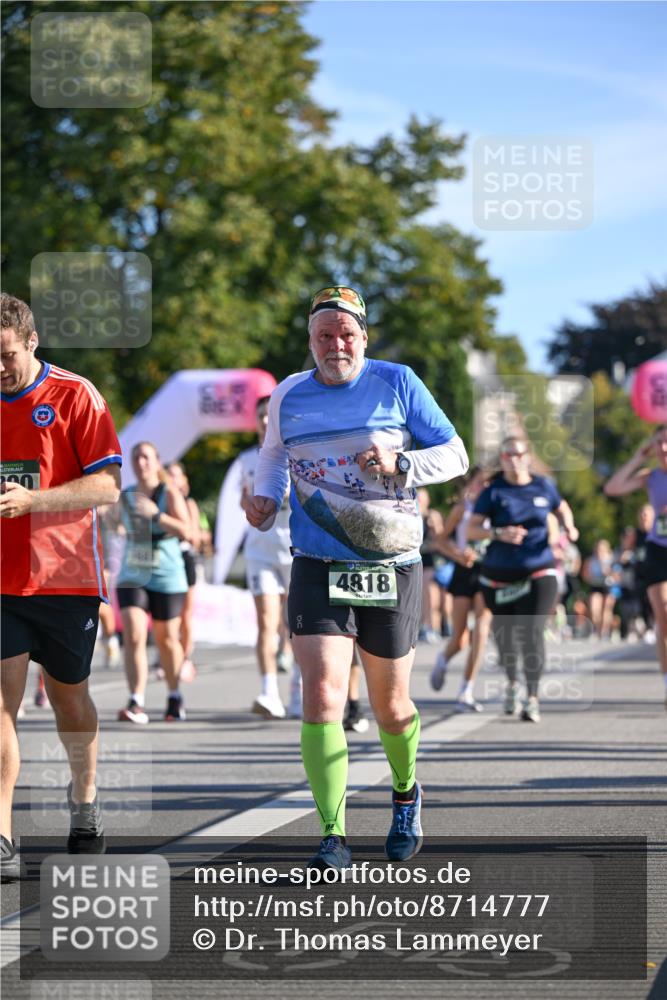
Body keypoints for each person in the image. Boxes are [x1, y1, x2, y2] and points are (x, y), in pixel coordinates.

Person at [246, 285, 468, 874]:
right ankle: (331, 832)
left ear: (363, 338)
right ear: (311, 341)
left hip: (391, 564)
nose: (335, 345)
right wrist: (267, 497)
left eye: (346, 334)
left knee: (391, 706)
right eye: (324, 335)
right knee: (321, 699)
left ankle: (405, 792)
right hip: (318, 561)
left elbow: (455, 454)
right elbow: (273, 455)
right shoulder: (288, 395)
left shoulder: (397, 381)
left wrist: (403, 465)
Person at [0, 292, 121, 881]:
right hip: (1, 583)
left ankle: (84, 800)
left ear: (31, 341)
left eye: (4, 355)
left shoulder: (75, 395)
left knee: (69, 697)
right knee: (2, 705)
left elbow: (107, 488)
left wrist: (34, 501)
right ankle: (1, 834)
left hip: (65, 578)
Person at [466, 436, 579, 723]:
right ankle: (512, 684)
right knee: (505, 639)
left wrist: (569, 525)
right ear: (502, 460)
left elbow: (562, 507)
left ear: (527, 456)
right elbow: (472, 530)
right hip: (499, 576)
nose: (514, 460)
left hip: (538, 570)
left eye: (518, 454)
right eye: (507, 455)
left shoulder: (543, 486)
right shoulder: (493, 492)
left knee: (531, 632)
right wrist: (497, 533)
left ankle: (532, 697)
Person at [115, 442, 191, 723]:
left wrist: (156, 515)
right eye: (136, 457)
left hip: (167, 574)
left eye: (146, 457)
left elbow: (188, 532)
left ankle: (174, 694)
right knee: (134, 633)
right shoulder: (128, 495)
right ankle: (136, 700)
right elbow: (116, 525)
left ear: (157, 462)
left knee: (166, 639)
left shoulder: (168, 492)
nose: (140, 462)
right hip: (133, 572)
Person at [235, 395, 300, 720]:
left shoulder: (294, 455)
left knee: (297, 626)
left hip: (294, 549)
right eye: (259, 415)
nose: (264, 421)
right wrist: (250, 503)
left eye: (268, 415)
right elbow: (242, 504)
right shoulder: (247, 459)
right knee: (266, 623)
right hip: (260, 551)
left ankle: (299, 690)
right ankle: (268, 691)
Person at [604, 426, 667, 708]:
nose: (664, 449)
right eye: (659, 444)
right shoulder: (650, 476)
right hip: (658, 550)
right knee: (663, 614)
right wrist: (638, 458)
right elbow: (613, 487)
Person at [430, 466, 493, 712]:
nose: (484, 488)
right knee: (460, 637)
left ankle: (466, 690)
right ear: (471, 484)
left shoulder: (496, 509)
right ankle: (443, 659)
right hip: (464, 571)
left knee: (483, 626)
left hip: (488, 571)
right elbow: (440, 540)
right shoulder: (462, 509)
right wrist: (458, 555)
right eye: (480, 483)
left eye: (488, 485)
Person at [166, 461, 202, 681]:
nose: (172, 479)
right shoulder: (160, 501)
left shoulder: (189, 504)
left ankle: (186, 658)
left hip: (184, 558)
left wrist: (177, 529)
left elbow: (194, 537)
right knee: (170, 617)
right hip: (166, 562)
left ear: (184, 481)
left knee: (186, 614)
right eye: (168, 475)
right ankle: (170, 657)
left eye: (176, 475)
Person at [417, 488, 445, 643]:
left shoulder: (431, 516)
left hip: (430, 559)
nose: (419, 501)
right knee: (418, 595)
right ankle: (422, 627)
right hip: (416, 559)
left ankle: (433, 628)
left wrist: (434, 527)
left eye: (422, 498)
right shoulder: (410, 514)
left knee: (429, 592)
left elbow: (440, 538)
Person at [582, 539, 618, 640]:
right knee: (594, 608)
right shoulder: (591, 560)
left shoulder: (611, 559)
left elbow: (617, 575)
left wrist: (607, 569)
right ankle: (597, 629)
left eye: (602, 549)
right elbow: (585, 575)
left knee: (607, 608)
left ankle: (604, 631)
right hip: (595, 585)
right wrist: (589, 577)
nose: (599, 552)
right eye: (598, 549)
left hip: (608, 585)